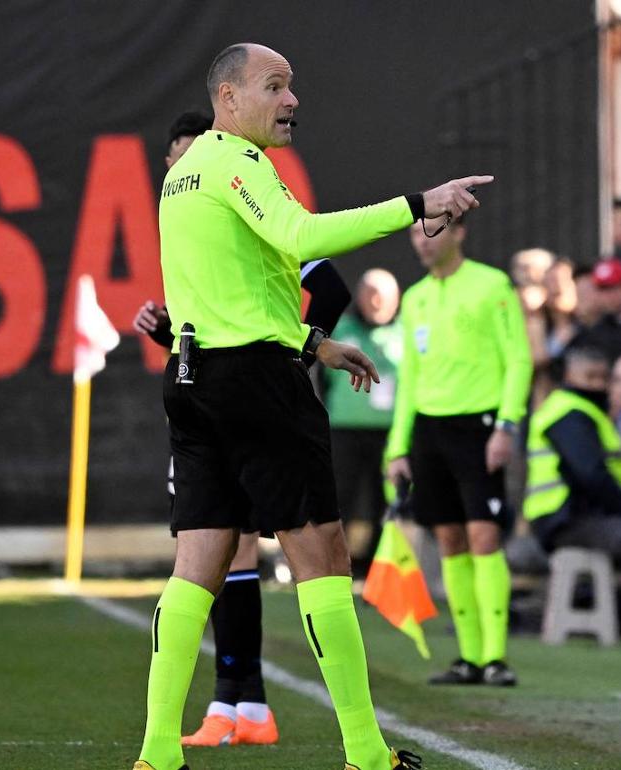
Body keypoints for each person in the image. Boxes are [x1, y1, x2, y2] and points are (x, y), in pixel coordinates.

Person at [136, 42, 489, 770]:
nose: (292, 100)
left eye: (292, 86)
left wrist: (312, 343)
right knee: (323, 555)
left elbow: (232, 293)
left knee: (195, 563)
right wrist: (420, 204)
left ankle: (156, 755)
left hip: (193, 378)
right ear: (228, 98)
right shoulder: (238, 163)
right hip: (257, 387)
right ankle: (365, 753)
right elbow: (302, 239)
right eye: (276, 86)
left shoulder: (182, 174)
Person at [133, 109, 353, 749]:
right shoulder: (191, 220)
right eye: (173, 160)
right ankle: (239, 704)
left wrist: (304, 346)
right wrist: (169, 331)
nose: (180, 167)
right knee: (221, 554)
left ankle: (239, 701)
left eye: (187, 152)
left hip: (253, 384)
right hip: (215, 389)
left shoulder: (245, 199)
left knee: (244, 552)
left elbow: (324, 278)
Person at [385, 211, 532, 688]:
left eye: (432, 229)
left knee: (484, 536)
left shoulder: (492, 286)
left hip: (480, 426)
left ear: (460, 232)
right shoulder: (414, 299)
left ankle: (496, 657)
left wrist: (506, 425)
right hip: (429, 430)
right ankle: (469, 656)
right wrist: (398, 446)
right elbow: (409, 378)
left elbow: (519, 359)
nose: (421, 241)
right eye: (413, 232)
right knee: (448, 539)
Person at [524, 346, 621, 638]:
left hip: (573, 516)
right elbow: (592, 476)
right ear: (569, 375)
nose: (596, 384)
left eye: (601, 377)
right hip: (566, 519)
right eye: (589, 376)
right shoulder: (569, 413)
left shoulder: (582, 411)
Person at [324, 268, 403, 572]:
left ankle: (378, 565)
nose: (377, 301)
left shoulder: (407, 332)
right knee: (339, 496)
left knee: (383, 500)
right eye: (371, 293)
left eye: (384, 295)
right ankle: (333, 561)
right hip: (344, 429)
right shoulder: (341, 330)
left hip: (390, 432)